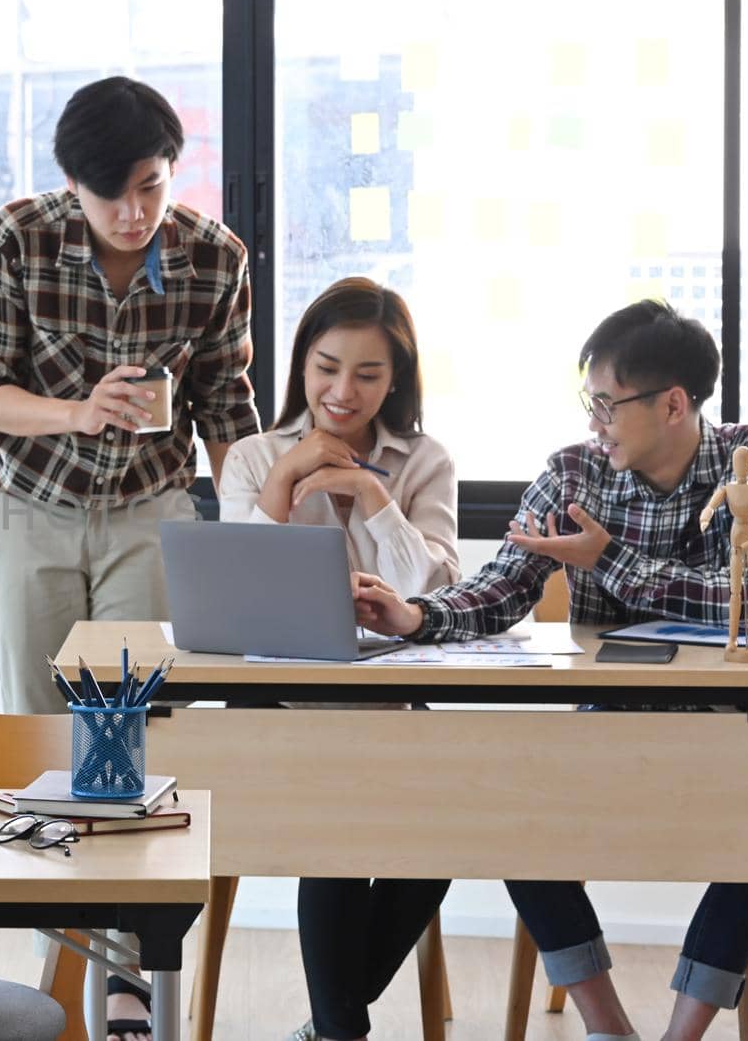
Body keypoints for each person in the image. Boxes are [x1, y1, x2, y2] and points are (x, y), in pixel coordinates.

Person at [351, 299, 748, 1041]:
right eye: (591, 402)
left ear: (673, 403)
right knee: (514, 807)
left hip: (739, 728)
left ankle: (682, 1034)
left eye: (608, 404)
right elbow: (504, 585)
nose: (594, 423)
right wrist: (418, 615)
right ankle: (610, 1029)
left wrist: (607, 558)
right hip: (611, 718)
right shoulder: (574, 472)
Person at [0, 75, 260, 720]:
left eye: (150, 187)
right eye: (108, 195)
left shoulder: (216, 260)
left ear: (174, 167)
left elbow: (226, 407)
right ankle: (43, 827)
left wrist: (249, 537)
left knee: (131, 721)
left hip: (149, 509)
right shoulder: (15, 240)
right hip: (30, 506)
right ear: (72, 184)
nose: (132, 214)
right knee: (37, 723)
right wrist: (78, 414)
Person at [218, 277, 459, 1041]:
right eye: (326, 367)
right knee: (338, 824)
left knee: (452, 830)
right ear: (301, 364)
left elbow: (437, 593)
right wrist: (288, 479)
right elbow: (239, 601)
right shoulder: (256, 457)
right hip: (275, 705)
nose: (342, 391)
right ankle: (340, 1031)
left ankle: (331, 1025)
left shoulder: (423, 461)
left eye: (368, 373)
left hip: (386, 701)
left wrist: (371, 493)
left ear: (397, 379)